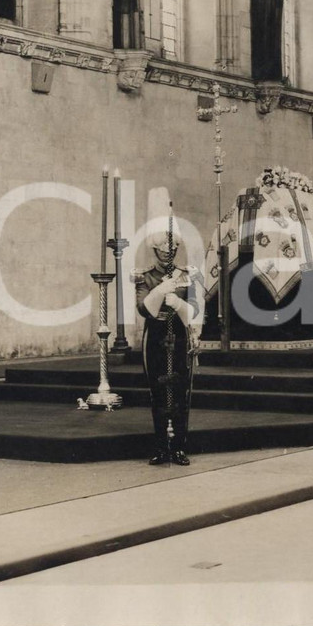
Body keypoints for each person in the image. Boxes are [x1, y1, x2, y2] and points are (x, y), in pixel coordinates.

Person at [134, 188, 201, 466]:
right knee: (157, 392)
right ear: (155, 248)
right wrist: (162, 290)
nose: (168, 253)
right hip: (156, 335)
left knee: (182, 390)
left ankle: (180, 446)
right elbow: (143, 309)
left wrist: (179, 304)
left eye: (172, 248)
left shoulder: (187, 275)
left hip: (180, 334)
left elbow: (196, 310)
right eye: (163, 249)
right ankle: (162, 446)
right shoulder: (145, 277)